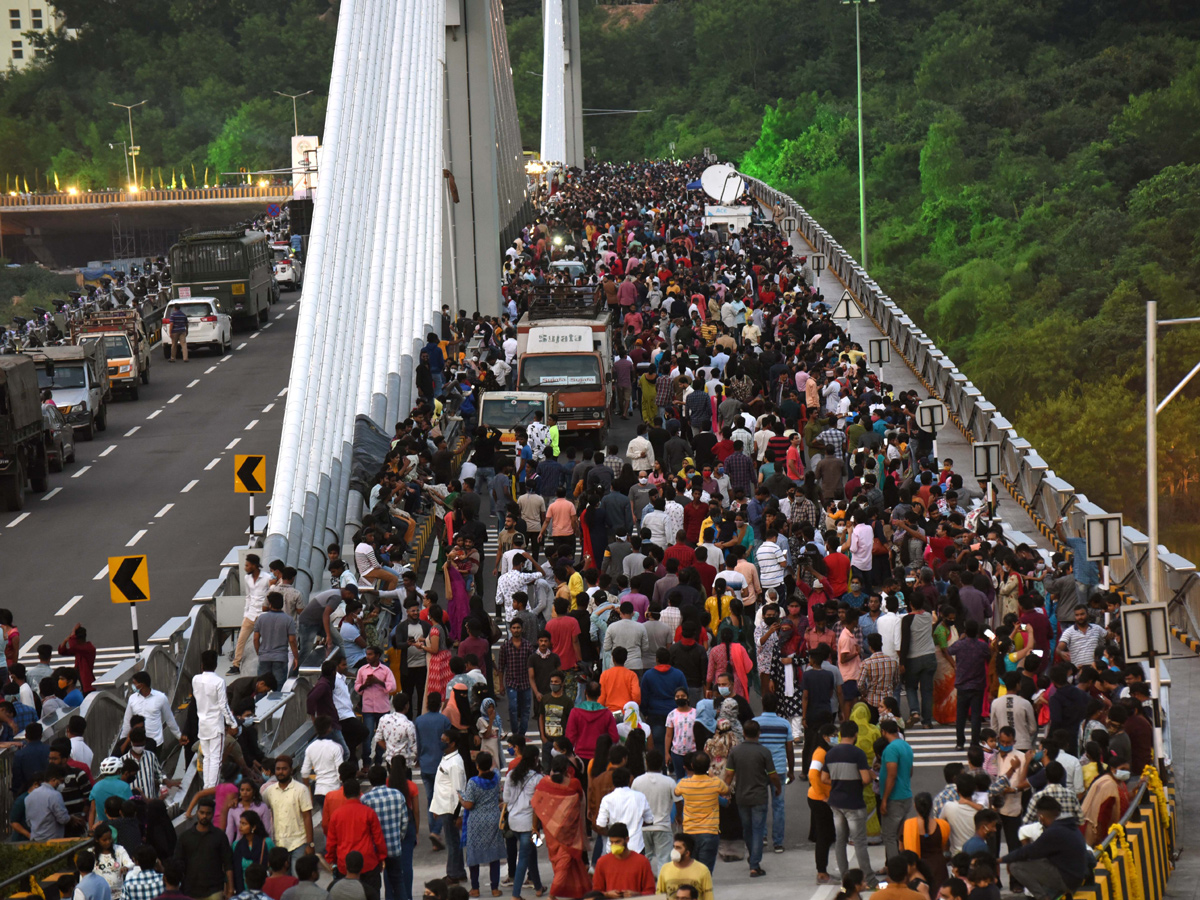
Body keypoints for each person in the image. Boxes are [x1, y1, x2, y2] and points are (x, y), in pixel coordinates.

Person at [1000, 797, 1092, 900]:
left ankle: (1043, 897)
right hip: (1076, 877)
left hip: (1067, 881)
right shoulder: (1069, 825)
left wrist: (1003, 859)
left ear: (1041, 816)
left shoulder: (1054, 831)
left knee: (1015, 866)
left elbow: (1029, 851)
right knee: (1035, 859)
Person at [723, 719, 780, 877]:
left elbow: (728, 774)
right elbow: (773, 775)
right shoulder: (764, 752)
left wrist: (724, 791)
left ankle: (753, 858)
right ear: (759, 734)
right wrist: (778, 788)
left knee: (747, 830)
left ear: (744, 733)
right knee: (757, 829)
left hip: (741, 796)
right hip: (759, 796)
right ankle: (755, 864)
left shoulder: (735, 752)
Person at [529, 755, 591, 900]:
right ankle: (552, 895)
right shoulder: (574, 783)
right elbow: (580, 800)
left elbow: (536, 806)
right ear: (567, 770)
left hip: (550, 829)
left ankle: (576, 891)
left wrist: (534, 828)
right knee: (564, 862)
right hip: (568, 831)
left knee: (558, 861)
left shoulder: (543, 784)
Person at [823, 721, 875, 888]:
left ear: (840, 734)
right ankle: (868, 878)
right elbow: (866, 779)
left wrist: (839, 781)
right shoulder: (857, 754)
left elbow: (823, 778)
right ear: (855, 735)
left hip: (836, 802)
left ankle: (845, 877)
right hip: (853, 802)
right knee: (859, 841)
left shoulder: (830, 753)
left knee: (840, 840)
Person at [324, 778, 386, 898]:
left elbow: (331, 841)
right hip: (368, 862)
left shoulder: (336, 815)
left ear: (344, 794)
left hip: (345, 864)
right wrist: (381, 857)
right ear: (359, 793)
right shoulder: (369, 812)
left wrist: (331, 859)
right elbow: (378, 838)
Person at [672, 750, 729, 873]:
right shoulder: (715, 783)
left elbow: (676, 792)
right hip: (709, 831)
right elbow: (726, 790)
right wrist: (712, 775)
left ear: (691, 766)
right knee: (705, 873)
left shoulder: (684, 784)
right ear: (708, 767)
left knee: (691, 871)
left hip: (689, 832)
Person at [502, 746, 546, 900]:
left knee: (531, 853)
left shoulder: (511, 775)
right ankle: (516, 894)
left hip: (514, 822)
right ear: (535, 759)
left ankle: (539, 886)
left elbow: (506, 799)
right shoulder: (537, 778)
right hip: (530, 824)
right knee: (525, 857)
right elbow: (539, 803)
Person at [174, 797, 234, 900]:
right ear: (197, 812)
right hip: (190, 891)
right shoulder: (185, 837)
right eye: (202, 812)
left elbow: (228, 864)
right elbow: (177, 864)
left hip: (214, 890)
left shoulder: (219, 836)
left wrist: (230, 890)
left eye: (208, 813)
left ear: (213, 814)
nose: (204, 816)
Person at [193, 650, 237, 789]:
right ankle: (212, 788)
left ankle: (207, 786)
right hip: (216, 726)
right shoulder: (219, 682)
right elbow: (223, 705)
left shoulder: (195, 679)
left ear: (201, 665)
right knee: (216, 760)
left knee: (207, 758)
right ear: (216, 665)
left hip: (203, 724)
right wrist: (233, 723)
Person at [429, 729, 467, 883]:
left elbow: (459, 790)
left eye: (444, 740)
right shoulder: (446, 759)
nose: (441, 742)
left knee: (452, 843)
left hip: (451, 809)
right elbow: (440, 786)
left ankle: (453, 874)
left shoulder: (455, 764)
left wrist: (459, 814)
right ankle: (459, 872)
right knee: (453, 842)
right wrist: (435, 808)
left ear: (452, 744)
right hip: (444, 806)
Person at [261, 755, 316, 863]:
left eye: (284, 769)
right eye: (278, 769)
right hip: (278, 844)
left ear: (291, 770)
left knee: (298, 878)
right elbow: (260, 809)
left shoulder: (301, 789)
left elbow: (307, 817)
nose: (281, 772)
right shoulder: (269, 791)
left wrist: (310, 844)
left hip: (299, 843)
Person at [415, 692, 452, 851]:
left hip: (425, 764)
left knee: (430, 799)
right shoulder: (444, 720)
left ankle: (433, 832)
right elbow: (447, 742)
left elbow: (418, 743)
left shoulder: (419, 721)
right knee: (442, 799)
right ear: (440, 705)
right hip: (440, 763)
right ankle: (436, 831)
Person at [631, 749, 675, 876]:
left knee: (645, 858)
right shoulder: (669, 782)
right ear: (661, 763)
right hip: (663, 826)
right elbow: (678, 801)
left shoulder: (637, 781)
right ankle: (662, 889)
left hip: (643, 827)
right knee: (664, 859)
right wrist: (678, 816)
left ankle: (646, 885)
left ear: (646, 762)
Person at [879, 719, 915, 863]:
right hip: (906, 795)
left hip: (895, 798)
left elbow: (892, 775)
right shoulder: (906, 746)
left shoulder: (891, 749)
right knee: (900, 836)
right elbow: (910, 771)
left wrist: (885, 799)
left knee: (889, 836)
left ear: (884, 732)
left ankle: (894, 870)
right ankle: (901, 866)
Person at [900, 792, 949, 894]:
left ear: (915, 806)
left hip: (918, 870)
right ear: (931, 806)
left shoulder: (908, 826)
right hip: (939, 869)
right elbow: (945, 847)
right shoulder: (942, 826)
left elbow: (902, 849)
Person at [592, 822, 656, 898]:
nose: (614, 845)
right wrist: (607, 895)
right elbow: (596, 893)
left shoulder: (642, 862)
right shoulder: (602, 862)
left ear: (627, 840)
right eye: (612, 842)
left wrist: (637, 895)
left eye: (617, 842)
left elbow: (651, 891)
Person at [120, 673, 185, 748]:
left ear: (141, 685)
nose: (133, 686)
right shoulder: (132, 699)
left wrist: (179, 736)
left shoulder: (161, 698)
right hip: (137, 743)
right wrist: (122, 741)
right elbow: (127, 722)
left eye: (134, 683)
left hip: (155, 743)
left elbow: (169, 719)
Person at [254, 593, 300, 690]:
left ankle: (260, 704)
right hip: (280, 657)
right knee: (279, 686)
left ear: (270, 604)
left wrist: (259, 652)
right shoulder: (288, 620)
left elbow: (255, 638)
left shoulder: (261, 618)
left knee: (261, 687)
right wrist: (296, 657)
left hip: (264, 656)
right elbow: (292, 640)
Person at [654, 835, 713, 900]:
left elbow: (708, 895)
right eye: (674, 847)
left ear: (687, 853)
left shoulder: (703, 870)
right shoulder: (665, 868)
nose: (674, 851)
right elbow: (659, 893)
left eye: (678, 848)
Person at [232, 812, 275, 893]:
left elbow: (274, 865)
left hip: (262, 888)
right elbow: (233, 868)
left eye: (244, 824)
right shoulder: (236, 845)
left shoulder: (266, 843)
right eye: (240, 823)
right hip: (242, 889)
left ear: (253, 827)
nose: (240, 826)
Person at [92, 824, 135, 899]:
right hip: (100, 896)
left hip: (119, 895)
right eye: (104, 840)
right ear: (97, 840)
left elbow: (130, 864)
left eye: (109, 838)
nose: (108, 842)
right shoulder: (91, 853)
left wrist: (126, 867)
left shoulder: (119, 849)